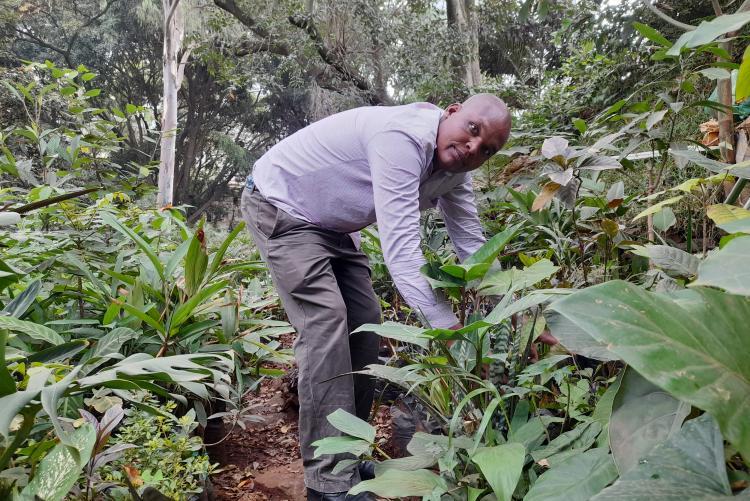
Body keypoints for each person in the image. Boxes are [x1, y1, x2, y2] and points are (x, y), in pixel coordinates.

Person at [240, 93, 511, 500]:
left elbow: (473, 247)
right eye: (472, 130)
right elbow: (402, 254)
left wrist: (521, 313)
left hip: (333, 225)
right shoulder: (401, 138)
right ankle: (327, 481)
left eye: (486, 150)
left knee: (366, 323)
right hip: (281, 205)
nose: (473, 148)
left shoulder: (456, 171)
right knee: (326, 322)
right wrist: (451, 330)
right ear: (452, 112)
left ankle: (346, 453)